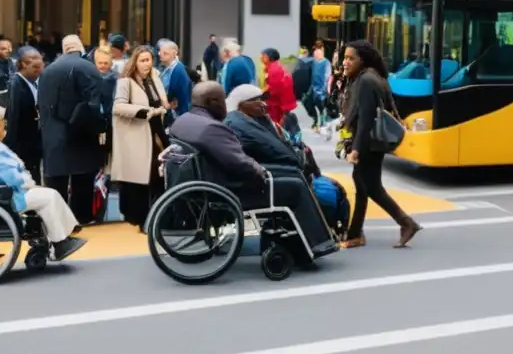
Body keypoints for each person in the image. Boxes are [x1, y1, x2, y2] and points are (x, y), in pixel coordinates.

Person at [170, 82, 338, 258]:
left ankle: (311, 239)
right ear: (212, 102)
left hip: (210, 183)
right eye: (222, 100)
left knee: (294, 174)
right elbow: (239, 163)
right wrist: (259, 170)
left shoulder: (184, 121)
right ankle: (318, 242)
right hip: (230, 189)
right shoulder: (212, 128)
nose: (226, 104)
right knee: (295, 186)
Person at [0, 105, 85, 260]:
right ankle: (60, 241)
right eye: (2, 123)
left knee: (45, 195)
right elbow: (14, 178)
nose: (4, 127)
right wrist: (30, 184)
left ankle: (64, 233)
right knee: (49, 196)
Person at [341, 40, 421, 249]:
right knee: (369, 187)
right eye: (345, 58)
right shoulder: (371, 77)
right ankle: (402, 224)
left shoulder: (367, 80)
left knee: (365, 185)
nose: (345, 62)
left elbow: (366, 118)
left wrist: (356, 148)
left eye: (351, 58)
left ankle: (358, 233)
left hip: (368, 142)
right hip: (372, 142)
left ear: (362, 60)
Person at [38, 35, 106, 225]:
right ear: (80, 47)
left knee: (56, 182)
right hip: (81, 135)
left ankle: (57, 221)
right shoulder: (88, 68)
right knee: (82, 180)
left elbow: (41, 104)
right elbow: (95, 104)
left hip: (53, 135)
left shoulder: (48, 70)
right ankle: (81, 217)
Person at [111, 45, 169, 230]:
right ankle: (141, 219)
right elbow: (118, 107)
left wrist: (162, 109)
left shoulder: (154, 79)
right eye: (143, 60)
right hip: (137, 134)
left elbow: (162, 102)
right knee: (141, 179)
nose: (147, 63)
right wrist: (144, 112)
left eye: (149, 60)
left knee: (158, 176)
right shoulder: (126, 82)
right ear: (135, 62)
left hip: (156, 132)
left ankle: (155, 218)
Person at [4, 46, 44, 184]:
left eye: (40, 66)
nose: (38, 69)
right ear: (22, 64)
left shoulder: (35, 83)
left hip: (34, 144)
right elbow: (13, 117)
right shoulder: (16, 84)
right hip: (21, 146)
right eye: (34, 66)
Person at [260, 48, 296, 127]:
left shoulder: (274, 69)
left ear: (270, 57)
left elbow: (274, 88)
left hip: (277, 104)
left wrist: (261, 94)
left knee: (276, 125)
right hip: (278, 103)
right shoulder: (272, 67)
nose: (261, 57)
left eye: (263, 56)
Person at [158, 40, 191, 117]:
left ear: (174, 54)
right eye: (160, 52)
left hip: (175, 115)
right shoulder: (166, 68)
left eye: (165, 53)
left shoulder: (178, 71)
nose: (160, 55)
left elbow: (184, 98)